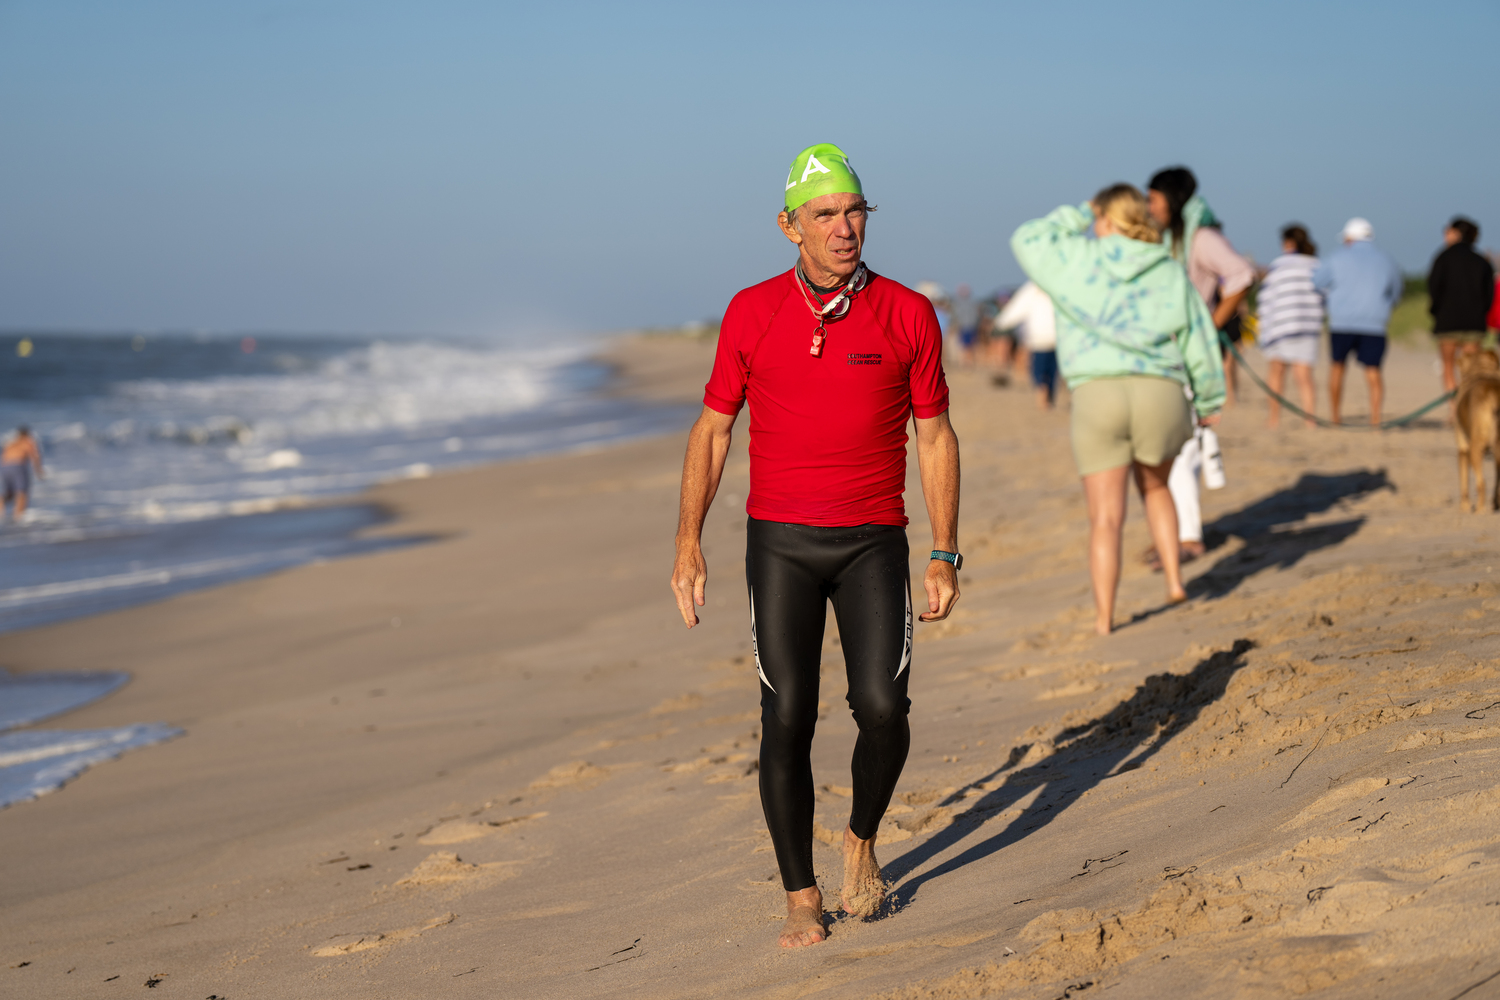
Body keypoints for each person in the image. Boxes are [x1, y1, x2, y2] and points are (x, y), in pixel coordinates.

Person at [670, 143, 960, 949]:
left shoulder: (906, 312)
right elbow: (714, 428)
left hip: (874, 541)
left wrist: (946, 549)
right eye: (825, 214)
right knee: (786, 715)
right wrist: (688, 542)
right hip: (783, 544)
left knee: (884, 707)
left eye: (855, 211)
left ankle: (861, 835)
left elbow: (934, 436)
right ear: (788, 225)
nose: (844, 228)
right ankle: (801, 894)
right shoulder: (751, 311)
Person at [1012, 184, 1225, 636]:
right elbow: (1198, 337)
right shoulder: (1166, 266)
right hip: (1160, 390)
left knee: (1106, 517)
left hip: (1097, 393)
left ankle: (1105, 618)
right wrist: (1208, 400)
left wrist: (1077, 212)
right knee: (1157, 488)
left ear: (1104, 218)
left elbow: (1026, 238)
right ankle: (1173, 582)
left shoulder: (1076, 258)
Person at [1147, 167, 1254, 563]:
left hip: (1193, 355)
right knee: (1165, 443)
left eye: (1154, 198)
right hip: (1166, 355)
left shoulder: (1202, 237)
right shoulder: (1169, 238)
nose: (1149, 206)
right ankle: (1172, 533)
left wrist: (1210, 326)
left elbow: (1241, 275)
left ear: (1173, 200)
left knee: (1184, 444)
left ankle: (1188, 538)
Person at [1314, 218, 1404, 426]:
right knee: (1373, 371)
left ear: (1349, 238)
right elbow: (1397, 292)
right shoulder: (1387, 259)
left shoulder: (1337, 257)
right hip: (1375, 324)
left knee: (1337, 367)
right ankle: (1375, 420)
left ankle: (1335, 417)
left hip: (1341, 323)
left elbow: (1316, 282)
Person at [1257, 225, 1324, 428]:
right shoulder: (1316, 266)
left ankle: (1274, 418)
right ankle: (1309, 419)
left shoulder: (1279, 266)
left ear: (1288, 243)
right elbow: (1324, 296)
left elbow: (1267, 298)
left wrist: (1264, 326)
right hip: (1307, 325)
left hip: (1280, 326)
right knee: (1304, 375)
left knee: (1277, 372)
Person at [1429, 216, 1496, 409]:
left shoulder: (1442, 257)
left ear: (1457, 233)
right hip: (1474, 323)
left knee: (1448, 367)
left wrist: (1436, 312)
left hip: (1447, 322)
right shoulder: (1481, 261)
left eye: (1447, 230)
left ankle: (1454, 409)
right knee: (1471, 370)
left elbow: (1434, 288)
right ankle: (1470, 408)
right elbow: (1488, 295)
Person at [995, 280, 1058, 409]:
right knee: (1052, 370)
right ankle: (1049, 397)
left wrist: (999, 323)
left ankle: (1042, 394)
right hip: (1056, 338)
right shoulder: (1057, 285)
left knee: (1039, 370)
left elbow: (1016, 310)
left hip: (1039, 339)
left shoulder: (1031, 289)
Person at [1, 426, 43, 521]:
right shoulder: (27, 441)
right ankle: (19, 517)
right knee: (22, 493)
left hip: (4, 467)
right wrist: (39, 471)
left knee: (9, 493)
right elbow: (35, 455)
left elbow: (3, 455)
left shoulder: (11, 442)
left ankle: (1, 511)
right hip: (18, 466)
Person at [947, 283, 981, 366]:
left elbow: (976, 316)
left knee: (970, 345)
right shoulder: (957, 303)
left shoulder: (972, 303)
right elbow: (954, 316)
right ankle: (964, 361)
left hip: (971, 327)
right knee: (963, 345)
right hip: (963, 327)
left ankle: (968, 361)